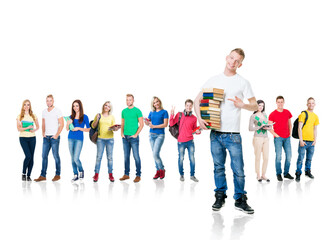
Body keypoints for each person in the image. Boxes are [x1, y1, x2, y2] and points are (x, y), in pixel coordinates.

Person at [194, 48, 257, 214]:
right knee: (218, 167)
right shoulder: (214, 80)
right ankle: (220, 195)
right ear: (226, 58)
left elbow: (255, 105)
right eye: (231, 58)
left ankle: (240, 199)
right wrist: (200, 119)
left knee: (239, 170)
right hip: (215, 134)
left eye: (237, 61)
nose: (232, 62)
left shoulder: (243, 82)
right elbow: (197, 100)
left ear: (240, 64)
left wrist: (242, 105)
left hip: (233, 135)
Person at [170, 99, 201, 182]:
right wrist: (172, 115)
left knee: (192, 159)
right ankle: (181, 175)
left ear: (192, 107)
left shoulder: (194, 118)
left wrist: (197, 132)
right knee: (181, 158)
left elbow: (194, 130)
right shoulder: (179, 115)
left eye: (190, 106)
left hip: (190, 141)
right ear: (185, 106)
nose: (189, 107)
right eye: (187, 105)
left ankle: (192, 175)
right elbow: (171, 124)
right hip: (181, 142)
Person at [35, 94, 64, 182]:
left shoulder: (57, 111)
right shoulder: (44, 111)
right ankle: (43, 175)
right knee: (44, 156)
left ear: (53, 101)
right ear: (46, 101)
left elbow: (61, 124)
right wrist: (43, 133)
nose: (49, 102)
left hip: (54, 138)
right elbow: (43, 123)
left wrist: (56, 135)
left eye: (50, 100)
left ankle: (58, 174)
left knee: (55, 156)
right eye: (47, 100)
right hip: (46, 138)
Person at [91, 101, 119, 182]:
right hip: (100, 139)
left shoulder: (112, 117)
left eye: (108, 106)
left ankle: (110, 174)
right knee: (98, 157)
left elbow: (114, 129)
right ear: (103, 106)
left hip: (110, 139)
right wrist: (97, 119)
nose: (107, 107)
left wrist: (115, 128)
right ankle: (96, 174)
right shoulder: (98, 115)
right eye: (105, 105)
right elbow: (93, 126)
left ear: (110, 108)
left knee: (110, 158)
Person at [268, 96, 294, 181]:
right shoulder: (272, 114)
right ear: (276, 103)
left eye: (281, 102)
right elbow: (269, 127)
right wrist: (276, 135)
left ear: (284, 102)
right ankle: (278, 174)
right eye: (278, 102)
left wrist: (289, 134)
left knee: (289, 156)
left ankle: (286, 173)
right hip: (278, 138)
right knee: (278, 156)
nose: (280, 103)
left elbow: (290, 124)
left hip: (287, 138)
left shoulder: (287, 112)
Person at [120, 94, 144, 183]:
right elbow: (122, 123)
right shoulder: (123, 111)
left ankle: (138, 175)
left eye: (130, 100)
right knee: (126, 157)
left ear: (133, 100)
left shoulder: (137, 111)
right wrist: (121, 133)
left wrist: (136, 134)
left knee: (136, 156)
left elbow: (142, 124)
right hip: (125, 137)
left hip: (134, 138)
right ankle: (126, 174)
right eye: (127, 100)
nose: (128, 101)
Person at [295, 97, 319, 182]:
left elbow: (315, 129)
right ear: (307, 104)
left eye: (312, 103)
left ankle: (307, 171)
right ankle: (298, 173)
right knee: (300, 159)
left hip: (312, 142)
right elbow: (299, 128)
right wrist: (301, 140)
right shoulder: (303, 114)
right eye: (309, 103)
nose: (311, 104)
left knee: (309, 159)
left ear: (314, 104)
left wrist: (315, 140)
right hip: (303, 141)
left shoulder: (315, 116)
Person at [144, 96, 169, 180]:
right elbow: (148, 123)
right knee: (155, 154)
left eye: (157, 101)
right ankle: (158, 170)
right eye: (154, 102)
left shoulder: (164, 112)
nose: (156, 103)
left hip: (160, 135)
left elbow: (165, 124)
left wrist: (154, 126)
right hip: (151, 135)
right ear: (153, 104)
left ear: (160, 102)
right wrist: (146, 122)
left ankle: (162, 169)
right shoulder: (151, 112)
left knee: (155, 154)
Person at [66, 100, 90, 182]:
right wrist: (68, 123)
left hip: (79, 139)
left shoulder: (84, 117)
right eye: (73, 106)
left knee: (76, 158)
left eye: (76, 105)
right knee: (72, 158)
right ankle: (75, 174)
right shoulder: (71, 116)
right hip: (70, 138)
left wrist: (79, 128)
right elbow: (67, 129)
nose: (75, 107)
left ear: (80, 106)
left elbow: (88, 129)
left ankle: (81, 170)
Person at [17, 99, 40, 181]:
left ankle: (29, 175)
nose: (26, 106)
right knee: (28, 156)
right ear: (23, 106)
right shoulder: (20, 116)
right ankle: (23, 173)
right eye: (25, 105)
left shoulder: (33, 116)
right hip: (23, 138)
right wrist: (27, 127)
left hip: (32, 138)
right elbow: (19, 128)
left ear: (30, 106)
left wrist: (34, 129)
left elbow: (38, 126)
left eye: (28, 105)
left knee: (32, 157)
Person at [248, 100, 271, 182]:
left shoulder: (265, 115)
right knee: (258, 157)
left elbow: (268, 126)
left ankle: (263, 174)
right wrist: (259, 126)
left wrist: (269, 127)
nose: (261, 107)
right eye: (259, 105)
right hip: (257, 138)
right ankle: (258, 175)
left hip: (266, 138)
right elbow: (250, 128)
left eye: (262, 106)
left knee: (266, 157)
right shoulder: (253, 116)